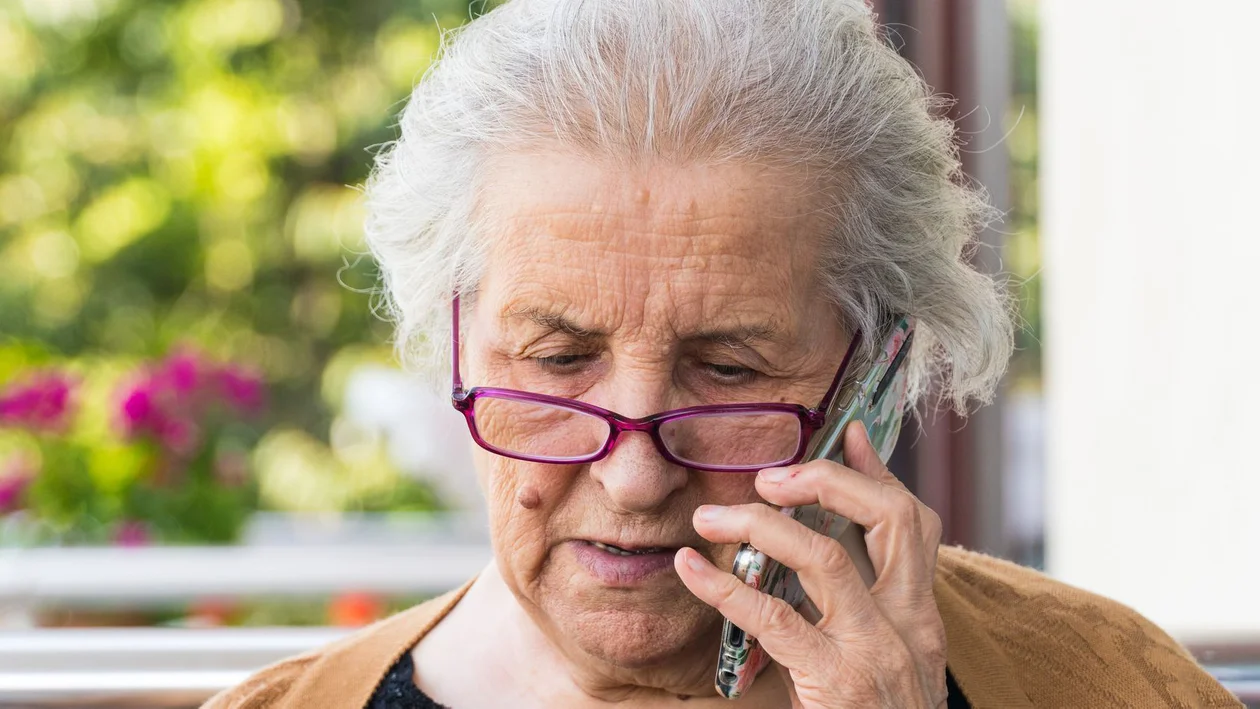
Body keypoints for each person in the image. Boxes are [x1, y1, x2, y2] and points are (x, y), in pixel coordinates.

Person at [206, 0, 1242, 706]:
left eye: (732, 370)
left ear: (871, 380)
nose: (634, 469)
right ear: (456, 344)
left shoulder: (1110, 679)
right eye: (559, 357)